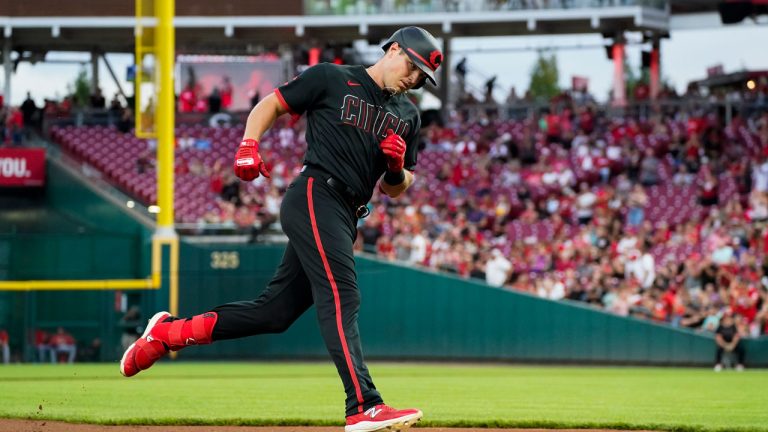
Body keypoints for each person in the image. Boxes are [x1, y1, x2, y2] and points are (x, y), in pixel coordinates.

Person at [120, 26, 443, 432]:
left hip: (347, 214)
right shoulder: (331, 77)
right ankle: (363, 403)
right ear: (394, 49)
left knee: (274, 313)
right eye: (413, 68)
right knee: (342, 293)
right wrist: (248, 144)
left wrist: (396, 170)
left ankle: (169, 333)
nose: (414, 80)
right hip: (315, 192)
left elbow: (397, 189)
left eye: (421, 78)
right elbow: (269, 106)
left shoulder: (407, 115)